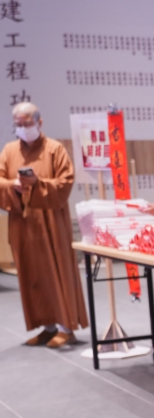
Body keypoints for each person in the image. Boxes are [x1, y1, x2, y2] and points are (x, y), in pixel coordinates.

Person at [0, 102, 87, 348]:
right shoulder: (9, 150)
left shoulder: (54, 149)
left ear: (39, 122)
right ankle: (47, 327)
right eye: (18, 125)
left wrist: (37, 184)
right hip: (23, 223)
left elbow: (65, 183)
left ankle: (66, 328)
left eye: (27, 123)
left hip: (52, 223)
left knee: (59, 271)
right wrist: (13, 186)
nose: (23, 128)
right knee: (33, 275)